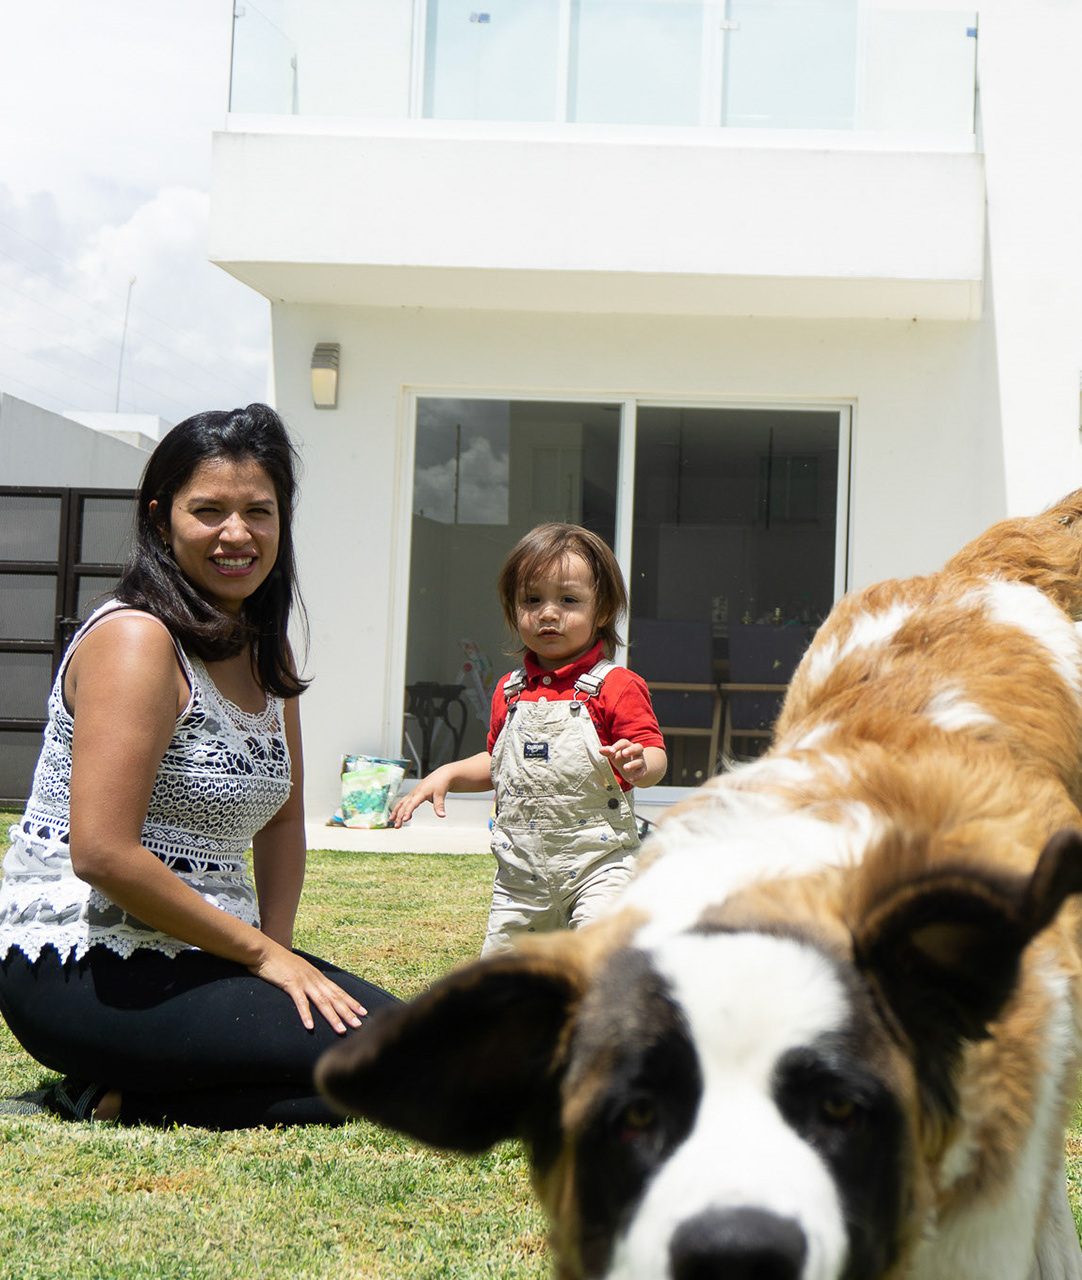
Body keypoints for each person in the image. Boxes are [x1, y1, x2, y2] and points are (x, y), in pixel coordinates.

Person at [0, 404, 396, 1127]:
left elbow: (280, 820)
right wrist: (267, 960)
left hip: (206, 955)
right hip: (85, 964)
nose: (237, 534)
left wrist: (274, 951)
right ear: (160, 519)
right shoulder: (136, 641)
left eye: (259, 511)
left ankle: (120, 1099)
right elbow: (103, 854)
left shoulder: (264, 650)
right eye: (208, 510)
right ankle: (115, 1087)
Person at [392, 523, 667, 955]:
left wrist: (639, 763)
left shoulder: (616, 685)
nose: (548, 613)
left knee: (597, 963)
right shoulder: (509, 691)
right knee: (503, 986)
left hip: (599, 867)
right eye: (531, 600)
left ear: (603, 610)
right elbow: (498, 763)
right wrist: (448, 773)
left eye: (568, 600)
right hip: (520, 880)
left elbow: (653, 756)